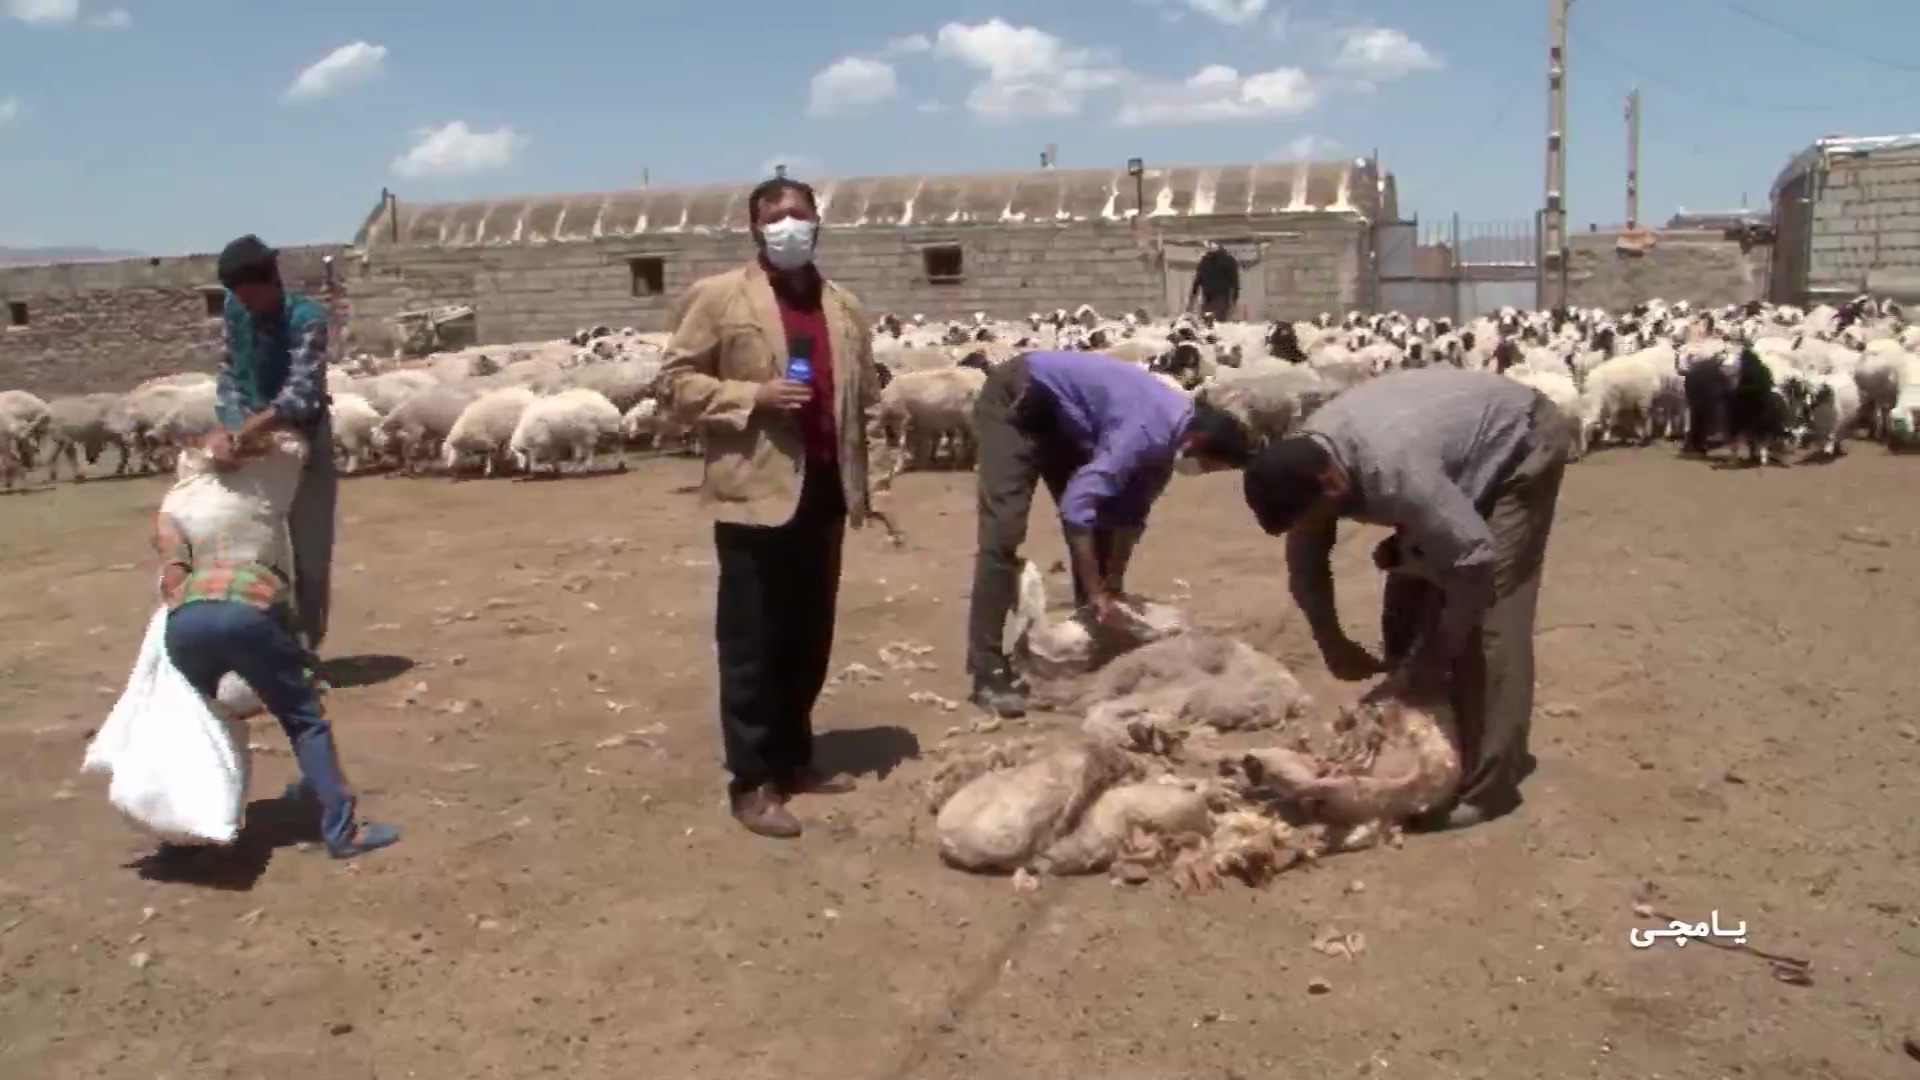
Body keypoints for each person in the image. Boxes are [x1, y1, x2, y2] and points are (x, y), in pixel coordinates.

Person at [1241, 366, 1572, 831]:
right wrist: (1331, 639)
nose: (1313, 529)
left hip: (1520, 443)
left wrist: (1437, 654)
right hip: (1451, 453)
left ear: (1334, 485)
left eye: (1316, 517)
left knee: (1491, 620)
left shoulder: (1394, 473)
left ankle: (1489, 787)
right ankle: (1424, 743)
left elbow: (1475, 561)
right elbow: (1306, 563)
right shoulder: (1303, 467)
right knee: (1405, 601)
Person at [658, 176, 885, 840]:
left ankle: (795, 757)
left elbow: (866, 399)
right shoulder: (720, 297)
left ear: (819, 222)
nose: (789, 223)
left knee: (808, 635)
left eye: (799, 214)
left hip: (824, 489)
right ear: (755, 229)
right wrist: (751, 397)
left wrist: (874, 484)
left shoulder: (844, 306)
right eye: (774, 216)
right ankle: (752, 780)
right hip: (755, 492)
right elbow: (673, 382)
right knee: (752, 641)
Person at [966, 350, 1255, 718]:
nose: (1205, 473)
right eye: (1209, 466)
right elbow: (1077, 506)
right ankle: (987, 672)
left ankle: (1089, 643)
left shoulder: (1168, 447)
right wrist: (1098, 588)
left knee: (1103, 526)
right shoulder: (1147, 431)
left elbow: (1131, 515)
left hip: (1067, 422)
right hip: (1021, 398)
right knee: (1003, 533)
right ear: (1195, 443)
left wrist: (1113, 583)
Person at [154, 431, 398, 860]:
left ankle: (187, 829)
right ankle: (343, 830)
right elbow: (295, 442)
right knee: (305, 719)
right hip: (249, 610)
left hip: (186, 619)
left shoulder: (176, 499)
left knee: (197, 722)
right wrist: (253, 435)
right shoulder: (263, 486)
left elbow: (172, 563)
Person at [210, 235, 336, 656]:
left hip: (303, 441)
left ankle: (307, 650)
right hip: (250, 439)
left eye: (250, 296)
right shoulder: (236, 311)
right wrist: (231, 427)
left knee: (310, 552)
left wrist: (256, 424)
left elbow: (303, 391)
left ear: (272, 283)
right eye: (237, 297)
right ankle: (267, 650)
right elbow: (229, 373)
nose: (246, 305)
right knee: (257, 548)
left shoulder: (308, 319)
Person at [1188, 241, 1240, 322]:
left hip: (1210, 297)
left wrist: (1193, 296)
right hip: (1218, 297)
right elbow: (1234, 282)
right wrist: (1234, 299)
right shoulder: (1228, 260)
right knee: (1216, 322)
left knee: (1208, 322)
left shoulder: (1205, 260)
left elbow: (1197, 280)